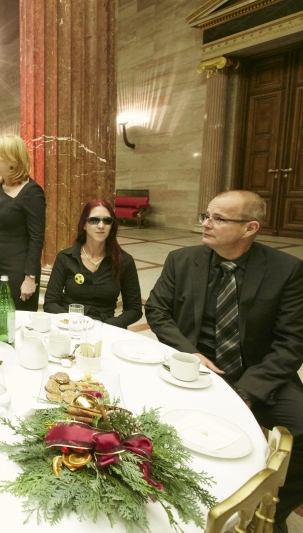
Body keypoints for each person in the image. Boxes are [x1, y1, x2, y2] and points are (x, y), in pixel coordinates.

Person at [145, 190, 303, 530]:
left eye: (219, 218)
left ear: (250, 228)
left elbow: (292, 343)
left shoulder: (286, 270)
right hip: (195, 368)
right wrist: (189, 352)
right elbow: (157, 310)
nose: (206, 223)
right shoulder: (182, 260)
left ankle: (268, 512)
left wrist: (246, 391)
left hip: (259, 373)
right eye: (206, 215)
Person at [44, 199, 142, 328]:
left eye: (107, 220)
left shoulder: (124, 261)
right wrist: (71, 322)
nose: (101, 225)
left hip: (106, 327)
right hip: (70, 326)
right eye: (94, 220)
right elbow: (50, 302)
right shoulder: (65, 258)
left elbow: (134, 309)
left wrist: (108, 325)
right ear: (84, 224)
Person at [0, 134, 45, 311]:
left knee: (16, 322)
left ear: (11, 159)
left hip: (18, 270)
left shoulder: (32, 192)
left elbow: (37, 238)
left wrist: (30, 277)